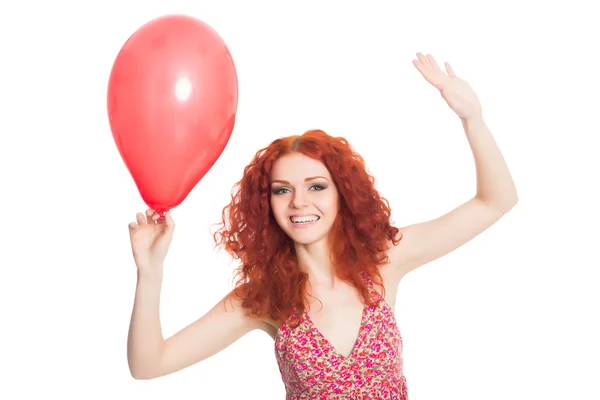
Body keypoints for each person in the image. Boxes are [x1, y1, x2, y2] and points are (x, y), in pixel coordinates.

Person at [125, 52, 518, 399]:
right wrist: (150, 272)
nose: (299, 202)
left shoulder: (384, 261)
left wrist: (473, 119)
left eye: (316, 186)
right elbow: (149, 365)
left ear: (342, 194)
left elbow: (495, 201)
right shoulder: (262, 299)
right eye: (282, 191)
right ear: (267, 205)